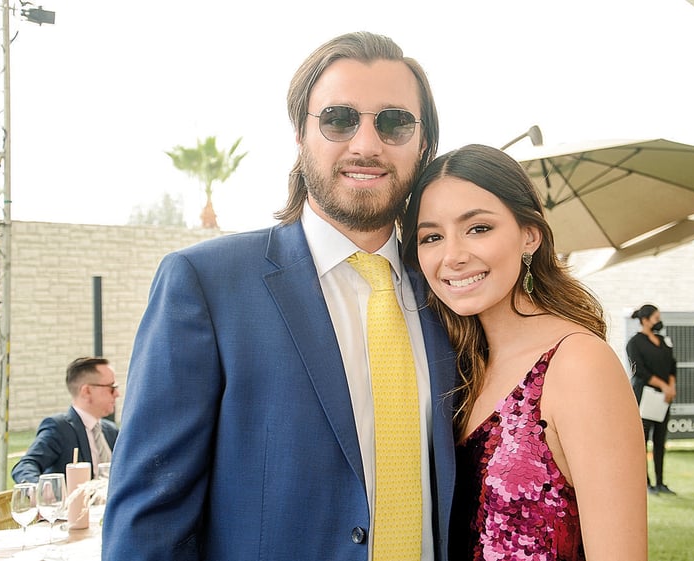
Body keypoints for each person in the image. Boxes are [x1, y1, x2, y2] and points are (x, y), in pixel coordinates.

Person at [102, 32, 457, 561]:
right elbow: (147, 522)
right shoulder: (204, 284)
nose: (366, 145)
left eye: (394, 121)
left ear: (423, 142)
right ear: (300, 134)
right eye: (339, 118)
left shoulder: (450, 295)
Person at [402, 144, 648, 561]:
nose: (453, 256)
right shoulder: (456, 369)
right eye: (432, 236)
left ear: (529, 235)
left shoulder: (579, 364)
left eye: (478, 228)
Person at [12, 356, 119, 483]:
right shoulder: (59, 428)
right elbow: (26, 465)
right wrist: (43, 490)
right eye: (111, 388)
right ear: (87, 391)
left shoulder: (111, 431)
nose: (117, 394)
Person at [626, 304, 678, 496]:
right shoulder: (635, 343)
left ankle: (660, 481)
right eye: (656, 318)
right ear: (645, 320)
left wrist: (670, 386)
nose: (659, 321)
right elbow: (639, 370)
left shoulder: (663, 341)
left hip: (664, 397)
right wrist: (662, 385)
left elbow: (672, 365)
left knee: (660, 438)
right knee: (643, 440)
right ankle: (645, 482)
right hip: (645, 395)